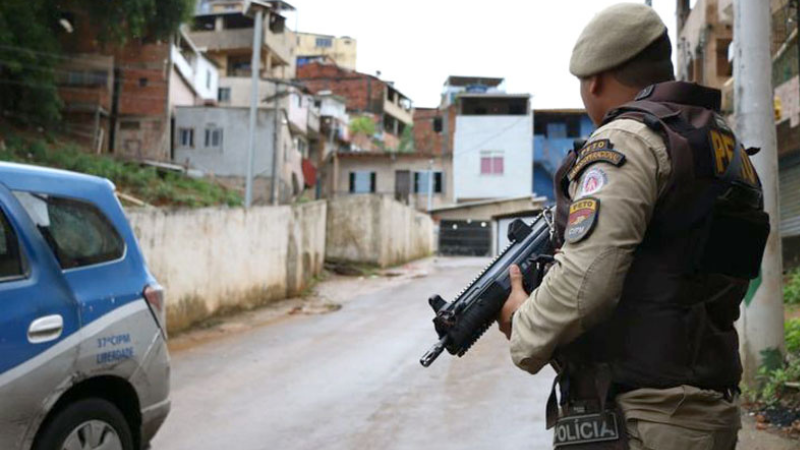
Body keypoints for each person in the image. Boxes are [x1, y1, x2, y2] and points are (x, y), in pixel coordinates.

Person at [496, 3, 770, 450]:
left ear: (594, 80)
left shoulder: (627, 138)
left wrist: (521, 322)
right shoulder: (723, 146)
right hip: (704, 410)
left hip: (644, 420)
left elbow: (588, 282)